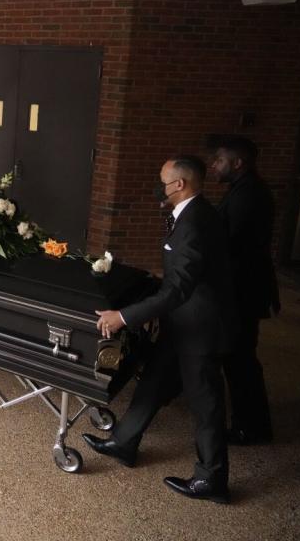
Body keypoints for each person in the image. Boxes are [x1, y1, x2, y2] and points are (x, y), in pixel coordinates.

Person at [90, 156, 234, 503]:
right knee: (154, 380)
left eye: (163, 181)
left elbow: (178, 288)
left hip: (200, 327)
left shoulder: (196, 222)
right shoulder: (192, 213)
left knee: (206, 404)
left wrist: (124, 316)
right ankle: (125, 442)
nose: (160, 187)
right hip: (181, 321)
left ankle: (212, 480)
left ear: (180, 185)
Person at [211, 135, 277, 445]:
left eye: (220, 160)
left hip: (244, 291)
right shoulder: (243, 190)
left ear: (238, 163)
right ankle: (252, 423)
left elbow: (231, 246)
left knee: (240, 360)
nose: (215, 165)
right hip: (246, 287)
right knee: (240, 359)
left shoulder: (247, 196)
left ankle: (250, 427)